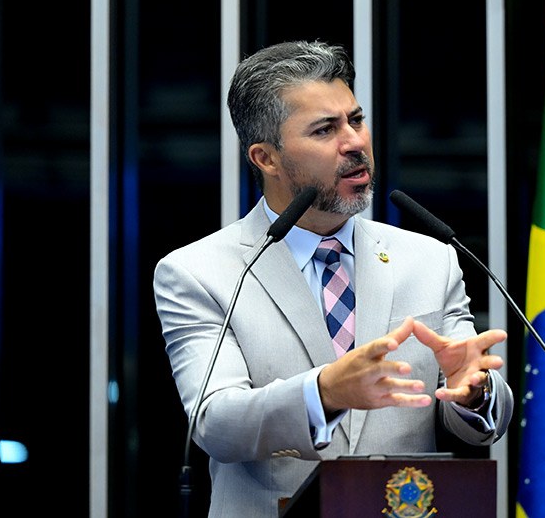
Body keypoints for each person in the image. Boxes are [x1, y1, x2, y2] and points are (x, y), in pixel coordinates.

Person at [153, 40, 513, 517]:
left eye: (355, 120)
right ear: (266, 158)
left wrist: (475, 392)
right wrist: (324, 392)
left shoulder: (430, 259)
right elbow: (216, 423)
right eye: (325, 129)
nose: (354, 142)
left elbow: (479, 419)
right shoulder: (200, 272)